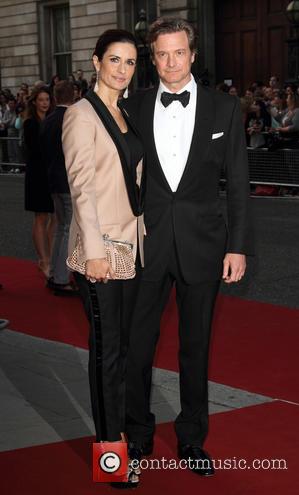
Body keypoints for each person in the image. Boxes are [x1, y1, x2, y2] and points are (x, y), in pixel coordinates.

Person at [121, 17, 253, 478]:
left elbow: (238, 182)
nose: (171, 62)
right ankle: (136, 434)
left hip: (204, 245)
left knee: (195, 348)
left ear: (193, 55)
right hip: (148, 244)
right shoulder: (131, 106)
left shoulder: (224, 108)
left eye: (179, 52)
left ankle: (192, 438)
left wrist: (237, 247)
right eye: (162, 53)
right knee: (137, 345)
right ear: (152, 58)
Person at [62, 29, 145, 488]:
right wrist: (94, 253)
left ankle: (123, 437)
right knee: (107, 354)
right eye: (114, 60)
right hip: (101, 252)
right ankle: (111, 460)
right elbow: (81, 188)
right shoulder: (81, 115)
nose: (122, 69)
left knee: (122, 351)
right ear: (96, 62)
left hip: (132, 247)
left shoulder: (125, 112)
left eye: (130, 62)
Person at [40, 81, 78, 296]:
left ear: (54, 97)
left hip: (53, 180)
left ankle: (55, 274)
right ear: (73, 96)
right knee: (66, 230)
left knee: (61, 228)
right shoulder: (71, 118)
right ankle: (62, 278)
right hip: (68, 180)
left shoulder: (49, 119)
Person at [24, 86, 56, 279]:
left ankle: (51, 257)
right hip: (37, 174)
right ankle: (43, 260)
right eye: (41, 100)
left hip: (51, 173)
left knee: (54, 217)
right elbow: (34, 150)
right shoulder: (30, 123)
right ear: (34, 101)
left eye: (47, 100)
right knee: (41, 217)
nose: (45, 103)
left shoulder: (52, 119)